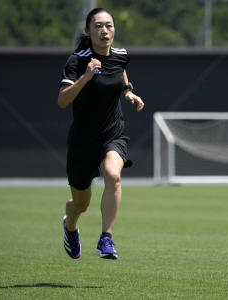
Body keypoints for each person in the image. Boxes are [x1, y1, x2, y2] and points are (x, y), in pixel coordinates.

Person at [58, 7, 144, 260]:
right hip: (82, 142)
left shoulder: (121, 55)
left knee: (112, 174)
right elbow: (62, 101)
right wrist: (85, 77)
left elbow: (120, 72)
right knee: (80, 205)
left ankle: (106, 239)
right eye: (98, 26)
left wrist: (128, 91)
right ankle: (70, 225)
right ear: (88, 31)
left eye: (109, 25)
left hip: (112, 134)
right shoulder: (77, 60)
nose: (104, 30)